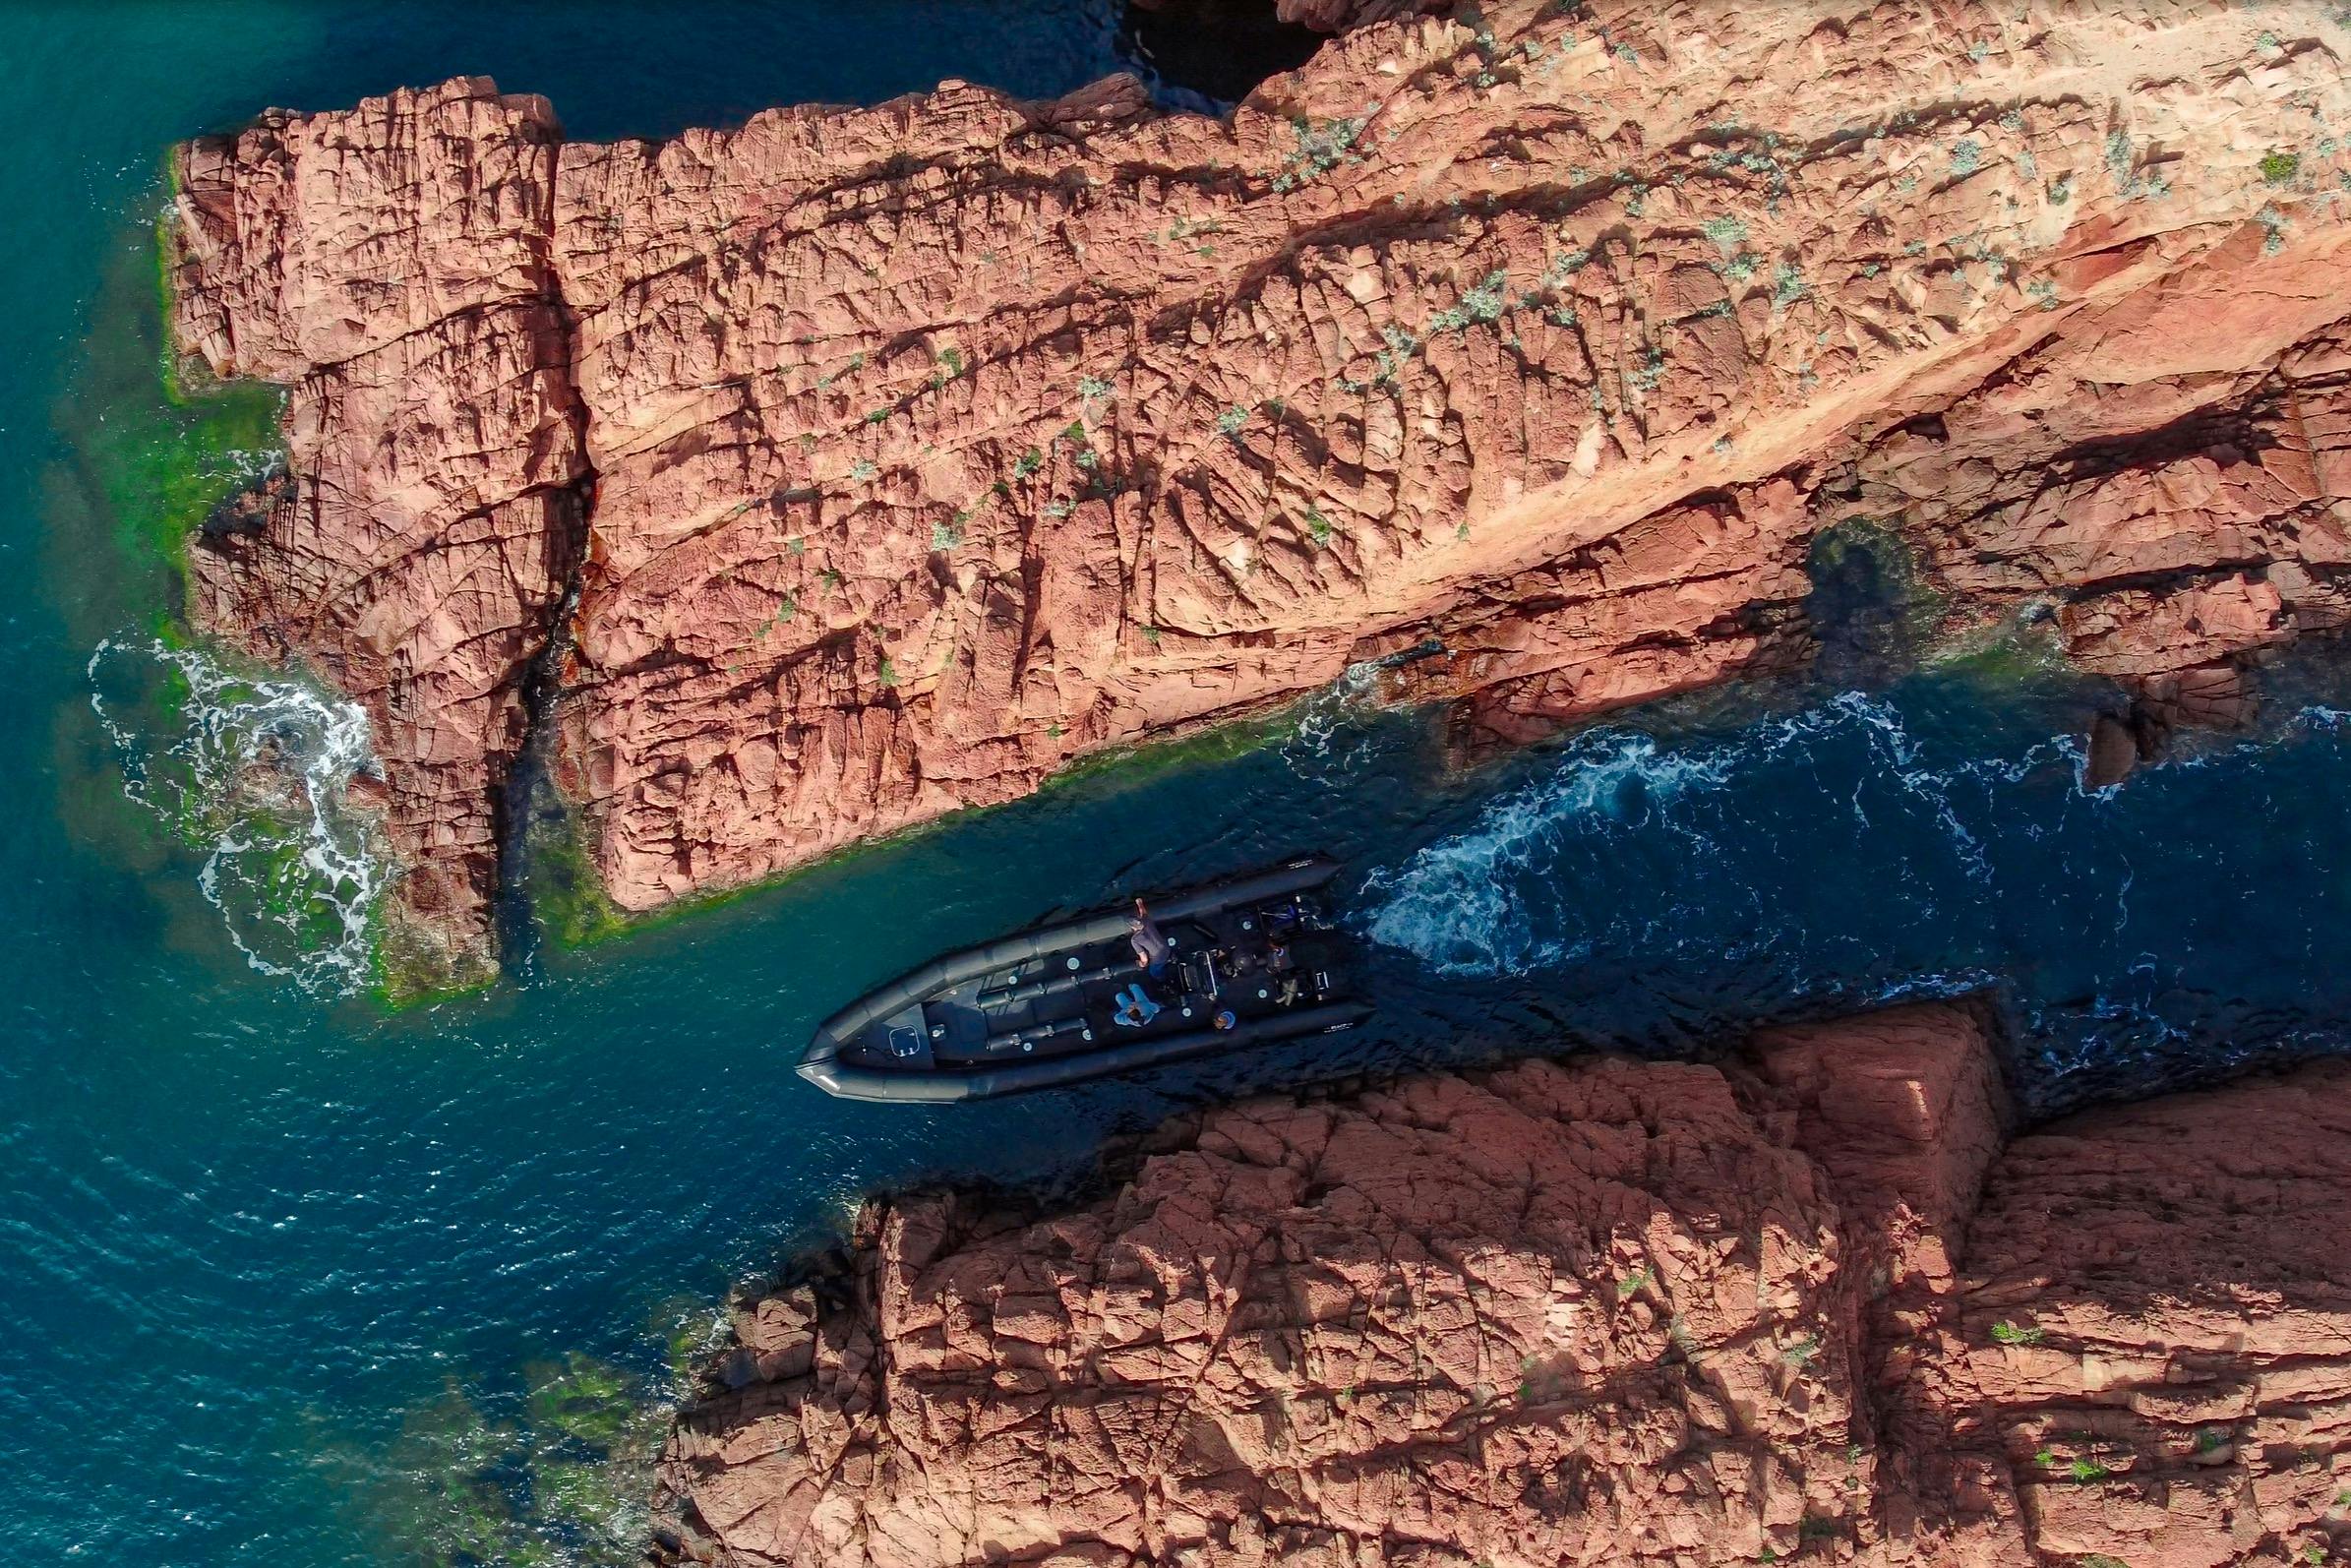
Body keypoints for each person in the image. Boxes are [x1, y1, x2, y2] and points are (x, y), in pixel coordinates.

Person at [1128, 898, 1173, 976]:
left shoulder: (1134, 940)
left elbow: (1144, 959)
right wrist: (1139, 903)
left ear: (1132, 927)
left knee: (1154, 971)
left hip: (1159, 957)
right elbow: (1143, 912)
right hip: (1166, 948)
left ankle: (1162, 978)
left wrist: (1141, 964)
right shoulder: (1146, 921)